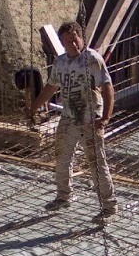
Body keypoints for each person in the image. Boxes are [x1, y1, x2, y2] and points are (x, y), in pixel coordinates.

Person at [30, 21, 116, 218]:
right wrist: (34, 107)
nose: (74, 45)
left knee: (96, 163)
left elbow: (107, 87)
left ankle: (109, 206)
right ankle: (63, 195)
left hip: (90, 118)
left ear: (81, 38)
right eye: (69, 42)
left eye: (76, 40)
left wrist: (105, 117)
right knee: (62, 157)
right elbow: (51, 87)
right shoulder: (60, 63)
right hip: (68, 117)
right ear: (62, 43)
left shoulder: (92, 59)